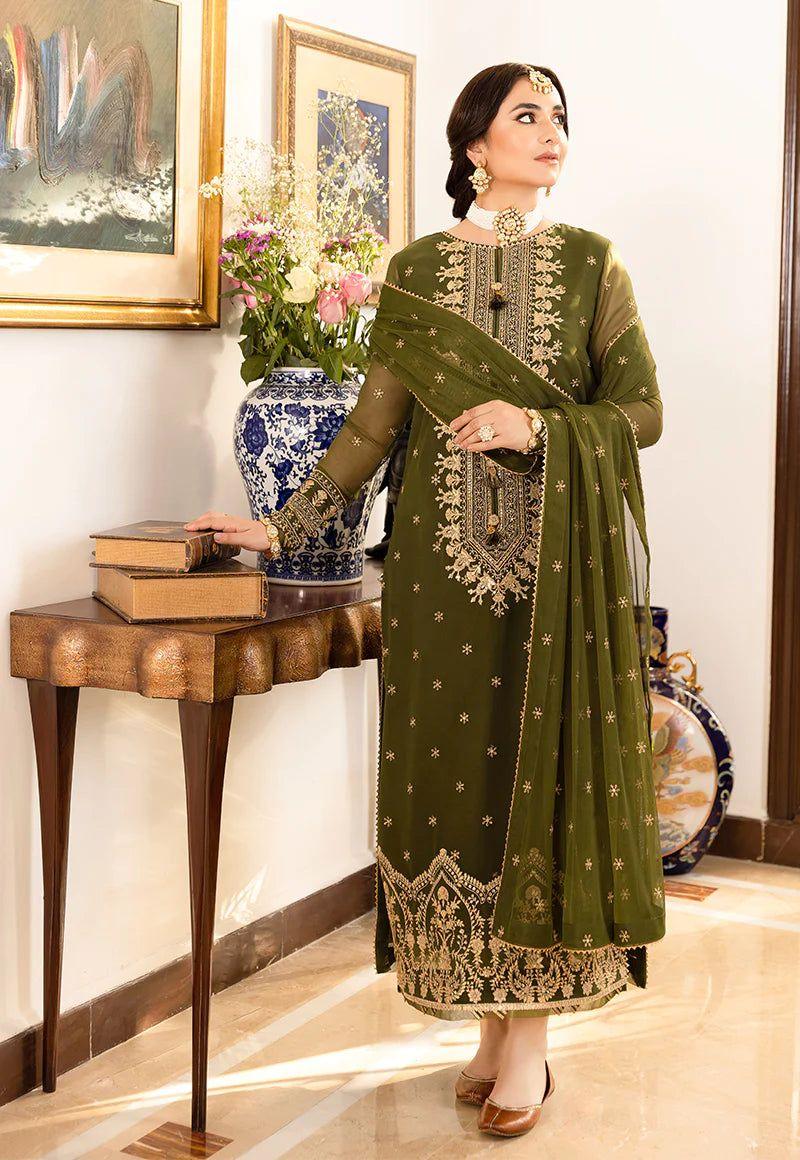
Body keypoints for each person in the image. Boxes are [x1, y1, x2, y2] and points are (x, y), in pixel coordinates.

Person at [185, 62, 666, 1139]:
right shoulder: (409, 275)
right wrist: (279, 523)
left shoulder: (593, 267)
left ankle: (530, 1046)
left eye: (559, 119)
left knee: (539, 787)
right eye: (526, 116)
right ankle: (490, 1027)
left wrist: (535, 427)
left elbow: (639, 412)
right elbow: (368, 431)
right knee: (458, 784)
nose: (550, 134)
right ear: (472, 145)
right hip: (439, 585)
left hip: (556, 587)